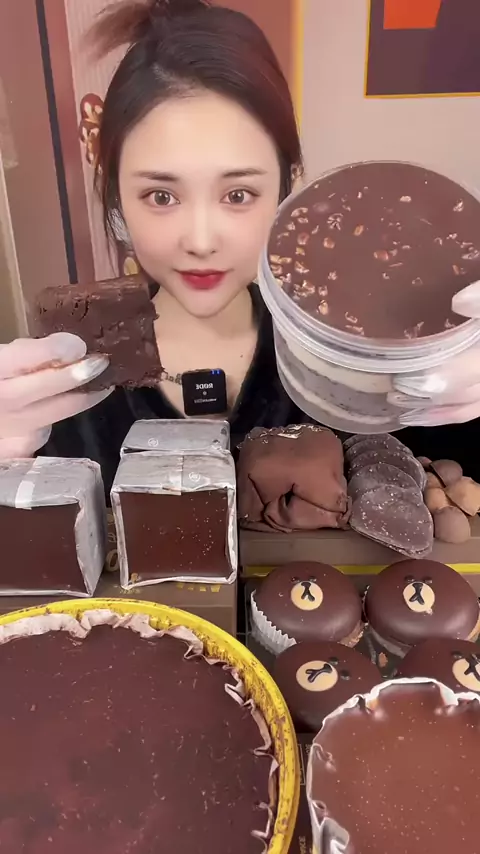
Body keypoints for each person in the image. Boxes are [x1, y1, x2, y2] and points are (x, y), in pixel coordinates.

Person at [1, 0, 480, 491]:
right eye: (161, 196)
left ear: (289, 188)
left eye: (238, 195)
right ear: (117, 195)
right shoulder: (61, 384)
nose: (200, 241)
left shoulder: (365, 353)